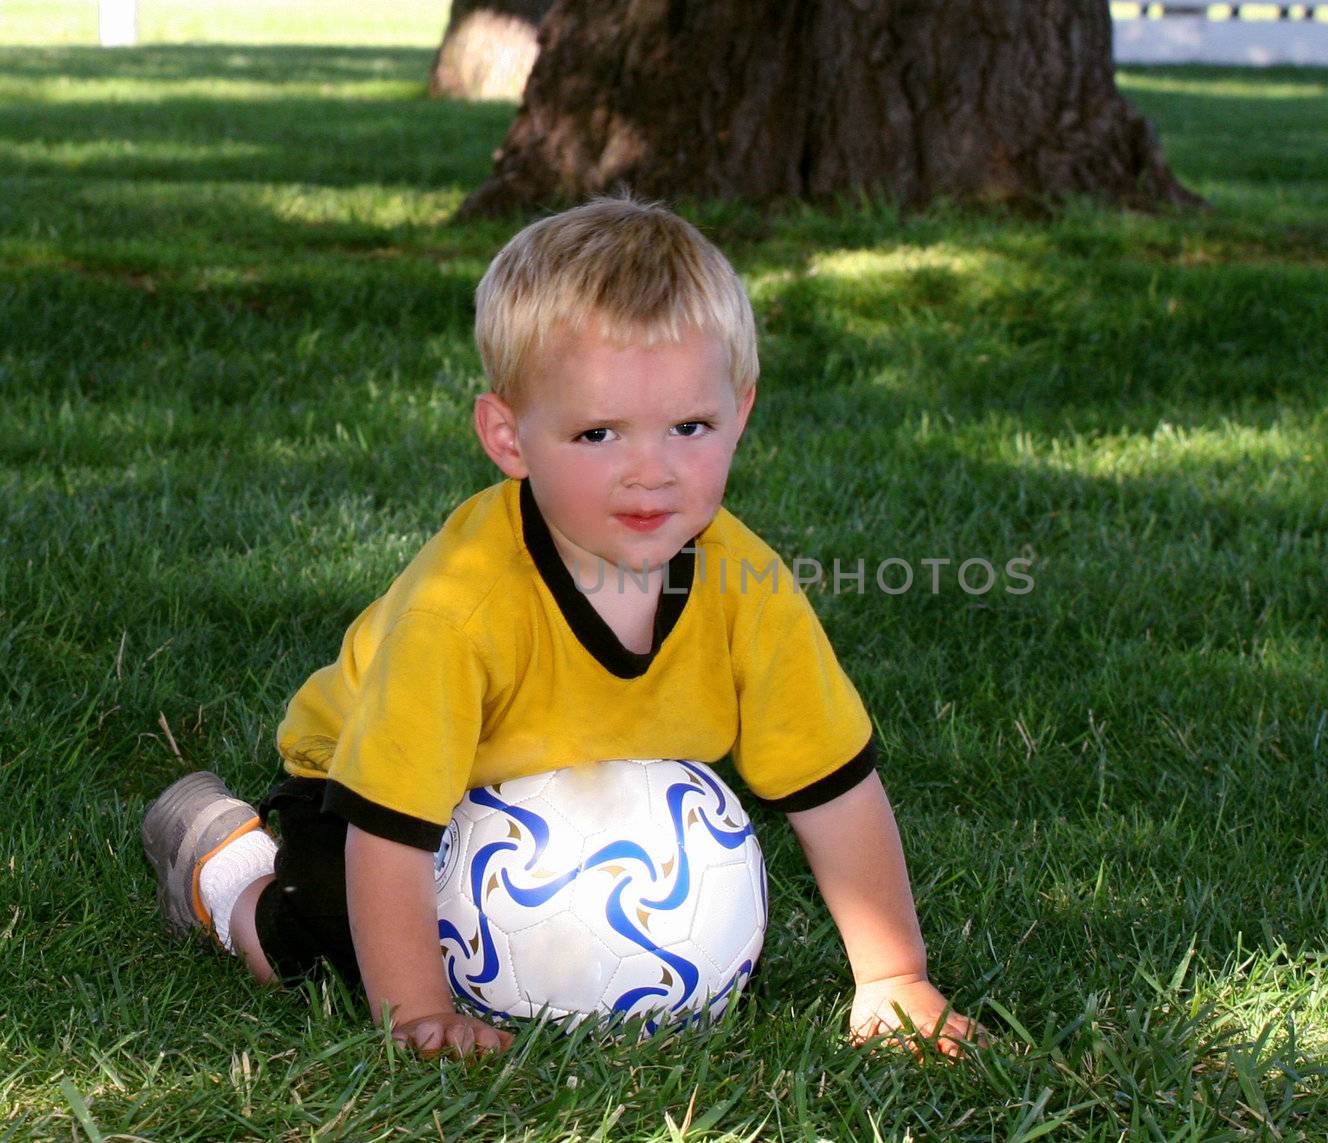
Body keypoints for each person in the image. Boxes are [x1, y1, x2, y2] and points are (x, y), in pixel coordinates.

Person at [143, 196, 979, 1060]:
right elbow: (389, 833)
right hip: (368, 785)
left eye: (690, 426)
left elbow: (833, 787)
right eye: (598, 432)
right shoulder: (462, 606)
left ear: (744, 410)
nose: (650, 472)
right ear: (509, 437)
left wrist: (893, 977)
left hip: (573, 788)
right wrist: (420, 1010)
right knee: (320, 951)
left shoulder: (748, 586)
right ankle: (225, 863)